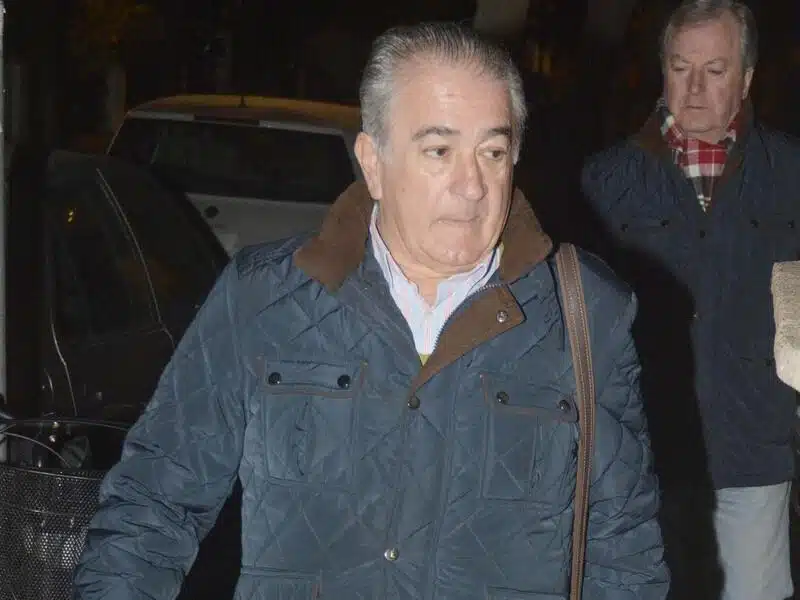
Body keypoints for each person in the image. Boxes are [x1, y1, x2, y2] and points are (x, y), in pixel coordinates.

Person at [73, 22, 668, 600]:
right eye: (439, 150)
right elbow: (154, 504)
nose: (472, 186)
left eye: (493, 151)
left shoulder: (587, 315)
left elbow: (624, 549)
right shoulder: (263, 298)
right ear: (373, 162)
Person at [580, 2, 799, 599]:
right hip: (642, 455)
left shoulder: (790, 174)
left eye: (715, 70)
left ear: (746, 79)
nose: (695, 87)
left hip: (753, 449)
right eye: (681, 68)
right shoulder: (604, 181)